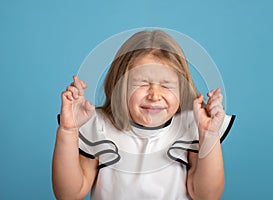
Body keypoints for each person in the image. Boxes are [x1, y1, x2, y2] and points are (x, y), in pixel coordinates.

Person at [52, 30, 236, 200]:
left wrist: (209, 135)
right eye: (141, 83)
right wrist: (68, 130)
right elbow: (69, 194)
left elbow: (206, 195)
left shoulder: (190, 126)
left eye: (166, 85)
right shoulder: (100, 127)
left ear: (181, 88)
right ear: (119, 86)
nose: (154, 95)